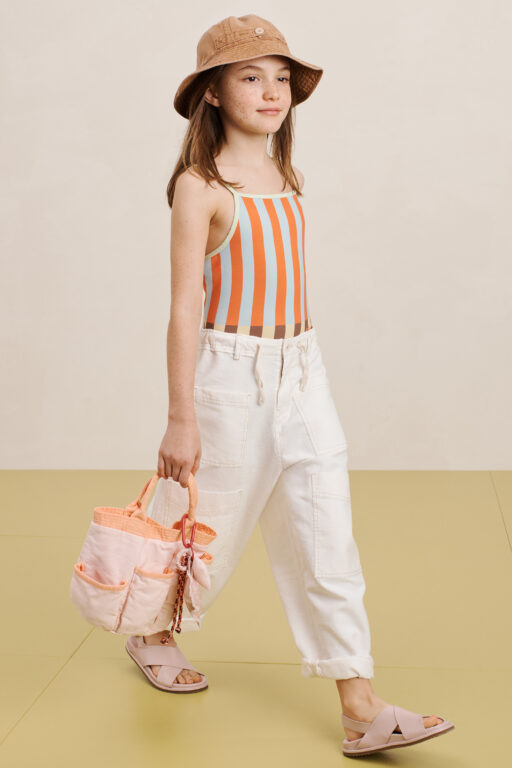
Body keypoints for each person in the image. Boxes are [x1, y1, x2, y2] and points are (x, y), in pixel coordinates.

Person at [124, 14, 455, 757]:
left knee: (325, 530)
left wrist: (299, 371)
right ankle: (150, 629)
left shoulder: (285, 175)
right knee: (207, 523)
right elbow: (184, 308)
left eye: (281, 78)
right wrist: (181, 416)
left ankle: (359, 704)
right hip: (229, 375)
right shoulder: (201, 187)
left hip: (304, 370)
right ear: (213, 94)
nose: (272, 92)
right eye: (250, 77)